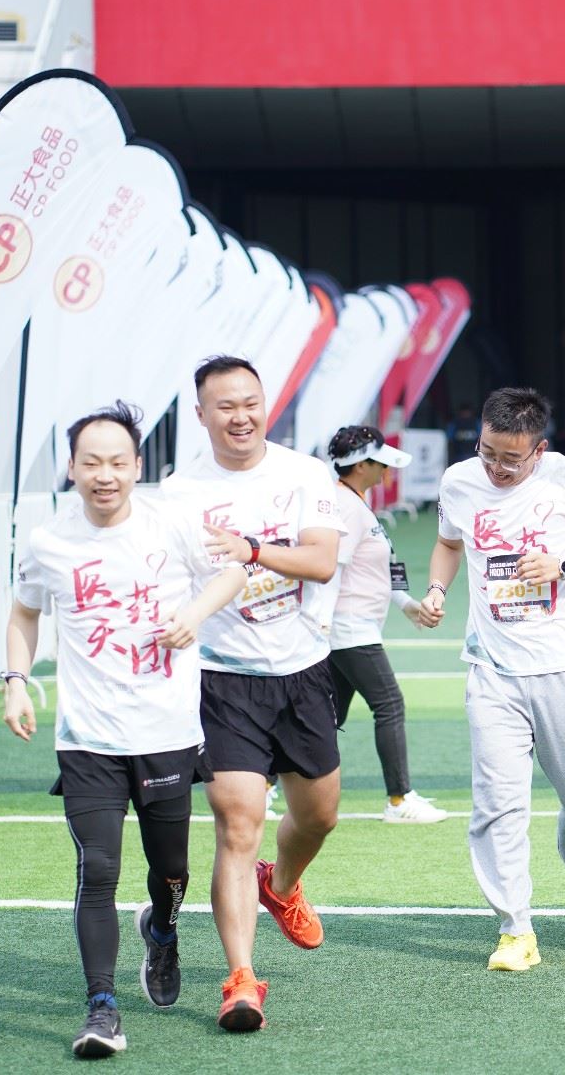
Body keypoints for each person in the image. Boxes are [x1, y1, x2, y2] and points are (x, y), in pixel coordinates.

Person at [3, 402, 245, 1058]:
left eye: (117, 462)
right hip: (88, 739)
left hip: (166, 731)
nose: (104, 475)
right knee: (98, 867)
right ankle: (102, 1008)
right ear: (72, 468)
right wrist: (16, 680)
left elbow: (233, 572)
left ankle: (161, 931)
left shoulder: (172, 522)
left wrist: (194, 614)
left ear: (137, 466)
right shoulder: (48, 541)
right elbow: (24, 615)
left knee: (172, 869)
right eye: (91, 463)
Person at [417, 387, 565, 971]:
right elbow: (447, 543)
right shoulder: (459, 482)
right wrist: (437, 590)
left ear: (538, 450)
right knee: (496, 806)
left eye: (511, 459)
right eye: (488, 452)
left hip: (562, 666)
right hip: (491, 670)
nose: (497, 467)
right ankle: (515, 929)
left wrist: (564, 564)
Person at [159, 355, 345, 1030]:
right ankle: (241, 979)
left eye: (250, 403)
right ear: (201, 414)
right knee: (238, 824)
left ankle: (282, 883)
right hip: (221, 678)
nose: (240, 416)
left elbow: (321, 561)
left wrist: (251, 549)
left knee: (319, 816)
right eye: (225, 406)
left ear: (266, 404)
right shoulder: (177, 494)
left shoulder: (305, 474)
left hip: (303, 672)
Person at [326, 424, 448, 824]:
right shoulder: (346, 506)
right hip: (348, 627)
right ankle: (399, 800)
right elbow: (331, 569)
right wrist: (319, 625)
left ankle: (269, 784)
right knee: (389, 704)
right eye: (381, 464)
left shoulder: (356, 503)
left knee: (327, 716)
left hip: (350, 627)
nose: (387, 471)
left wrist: (407, 605)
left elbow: (379, 568)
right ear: (361, 465)